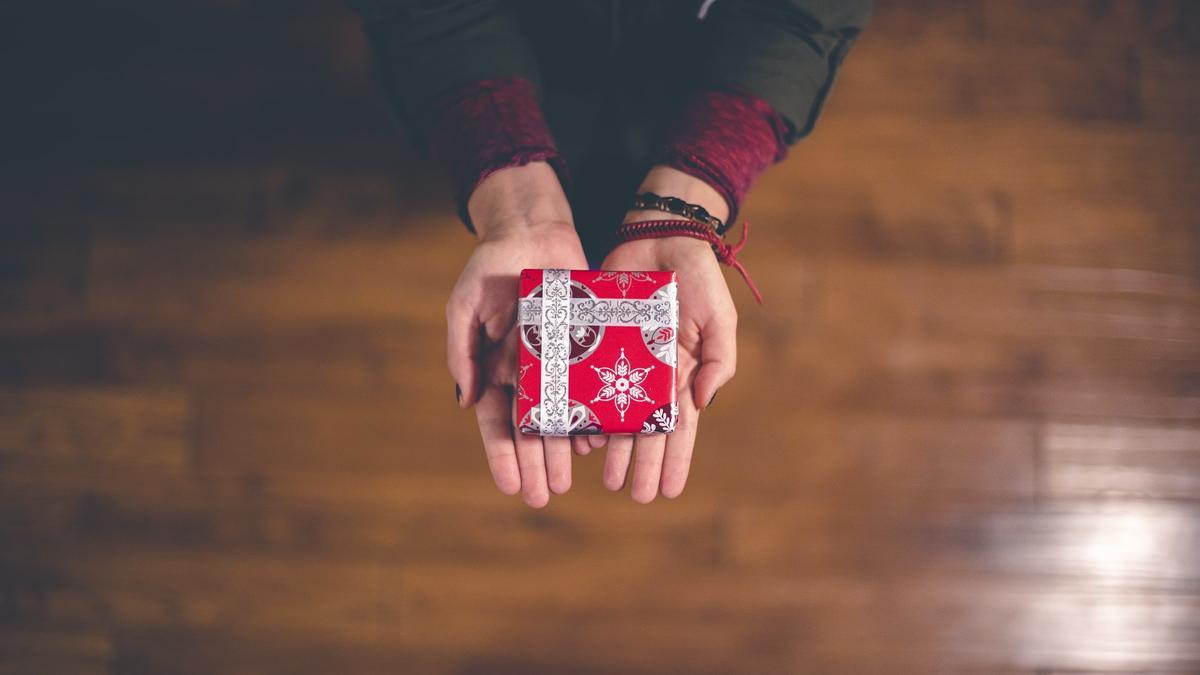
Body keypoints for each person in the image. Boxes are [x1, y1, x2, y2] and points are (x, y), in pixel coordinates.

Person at [350, 0, 872, 507]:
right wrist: (511, 190)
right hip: (498, 70)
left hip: (694, 77)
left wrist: (698, 181)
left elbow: (805, 12)